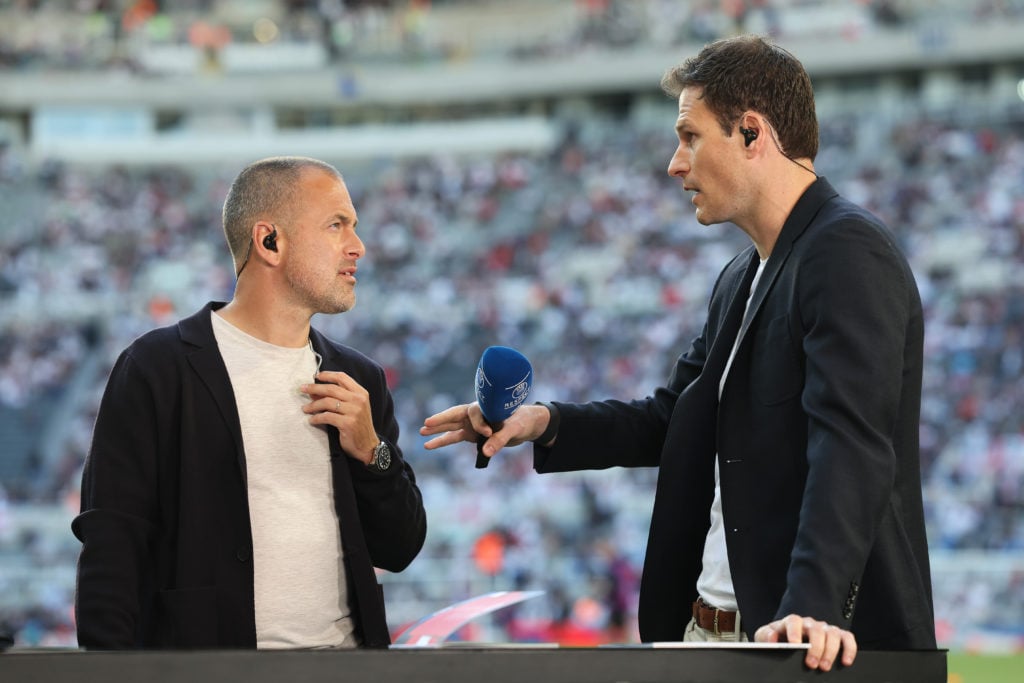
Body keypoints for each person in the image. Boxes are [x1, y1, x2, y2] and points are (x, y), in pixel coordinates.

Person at [421, 35, 935, 671]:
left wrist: (815, 605)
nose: (674, 162)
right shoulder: (740, 277)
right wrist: (546, 423)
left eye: (689, 136)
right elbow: (675, 419)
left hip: (799, 641)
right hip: (709, 634)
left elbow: (852, 441)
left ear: (752, 133)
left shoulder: (847, 251)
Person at [73, 156, 427, 650]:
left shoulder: (358, 378)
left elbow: (401, 546)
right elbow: (113, 542)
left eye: (354, 227)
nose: (358, 246)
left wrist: (373, 453)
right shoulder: (156, 367)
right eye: (336, 225)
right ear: (269, 242)